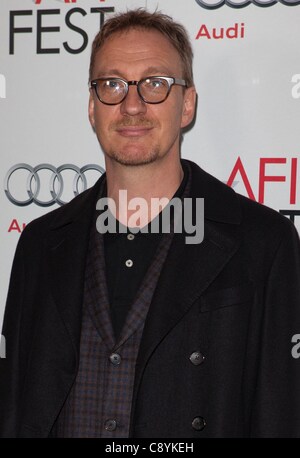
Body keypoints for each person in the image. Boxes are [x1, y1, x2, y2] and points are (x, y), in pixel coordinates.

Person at [1, 8, 300, 439]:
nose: (132, 104)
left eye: (156, 84)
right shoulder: (40, 243)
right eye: (112, 84)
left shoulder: (263, 242)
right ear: (92, 106)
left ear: (188, 104)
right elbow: (13, 406)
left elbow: (279, 413)